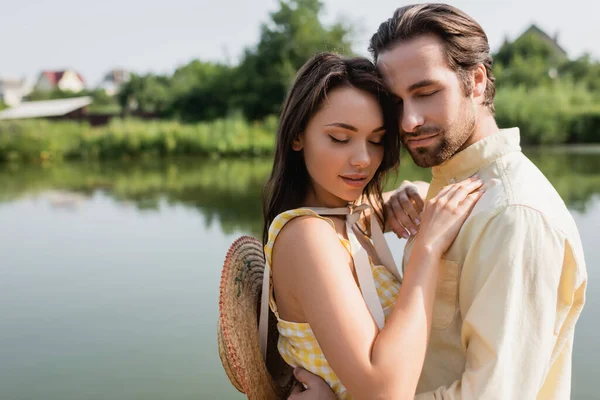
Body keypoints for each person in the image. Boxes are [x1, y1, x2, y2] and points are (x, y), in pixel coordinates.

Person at [289, 4, 588, 400]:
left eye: (426, 93)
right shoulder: (451, 193)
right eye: (395, 103)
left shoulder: (514, 217)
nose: (409, 121)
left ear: (476, 80)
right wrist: (397, 198)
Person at [258, 51, 484, 400]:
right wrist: (426, 247)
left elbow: (418, 193)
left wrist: (407, 192)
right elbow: (385, 393)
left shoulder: (351, 215)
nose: (364, 160)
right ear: (298, 136)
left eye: (376, 140)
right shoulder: (307, 236)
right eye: (340, 138)